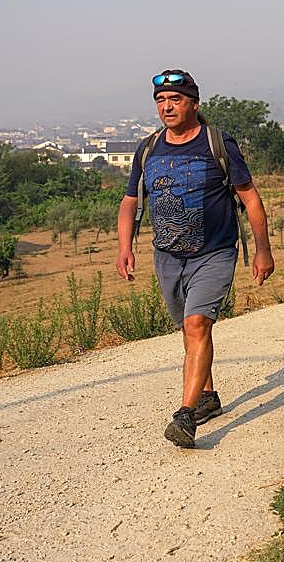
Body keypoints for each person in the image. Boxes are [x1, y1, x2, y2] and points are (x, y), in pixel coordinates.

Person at [116, 69, 275, 448]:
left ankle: (185, 416)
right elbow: (129, 202)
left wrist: (264, 249)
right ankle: (207, 397)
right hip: (167, 256)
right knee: (190, 330)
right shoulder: (149, 148)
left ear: (194, 104)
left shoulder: (217, 144)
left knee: (197, 324)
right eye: (161, 101)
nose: (167, 107)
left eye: (175, 100)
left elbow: (250, 197)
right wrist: (125, 247)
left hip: (215, 252)